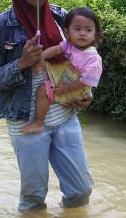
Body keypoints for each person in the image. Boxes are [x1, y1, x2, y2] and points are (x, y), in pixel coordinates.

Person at [0, 0, 95, 212]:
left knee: (81, 190)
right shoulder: (1, 27)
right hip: (25, 121)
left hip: (64, 115)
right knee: (33, 197)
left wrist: (85, 93)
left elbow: (84, 58)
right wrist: (21, 63)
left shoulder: (60, 17)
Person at [20, 7, 104, 135]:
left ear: (95, 35)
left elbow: (85, 82)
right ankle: (39, 122)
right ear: (67, 32)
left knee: (45, 91)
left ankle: (38, 122)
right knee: (43, 90)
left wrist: (67, 88)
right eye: (77, 29)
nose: (82, 33)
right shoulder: (69, 45)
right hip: (65, 82)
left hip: (78, 91)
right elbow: (56, 50)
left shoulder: (93, 59)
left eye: (88, 30)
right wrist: (41, 56)